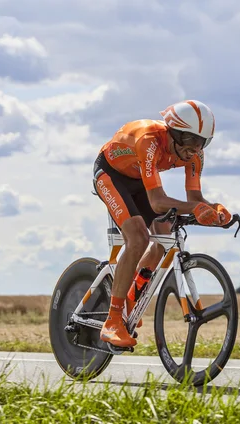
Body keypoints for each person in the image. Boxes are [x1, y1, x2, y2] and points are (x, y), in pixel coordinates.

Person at [92, 100, 232, 348]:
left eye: (202, 143)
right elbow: (157, 202)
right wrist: (200, 209)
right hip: (111, 175)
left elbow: (195, 200)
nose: (194, 149)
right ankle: (113, 320)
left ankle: (131, 297)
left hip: (139, 182)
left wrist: (215, 210)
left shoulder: (195, 155)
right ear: (174, 133)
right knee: (137, 238)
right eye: (190, 141)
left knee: (164, 235)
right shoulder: (150, 140)